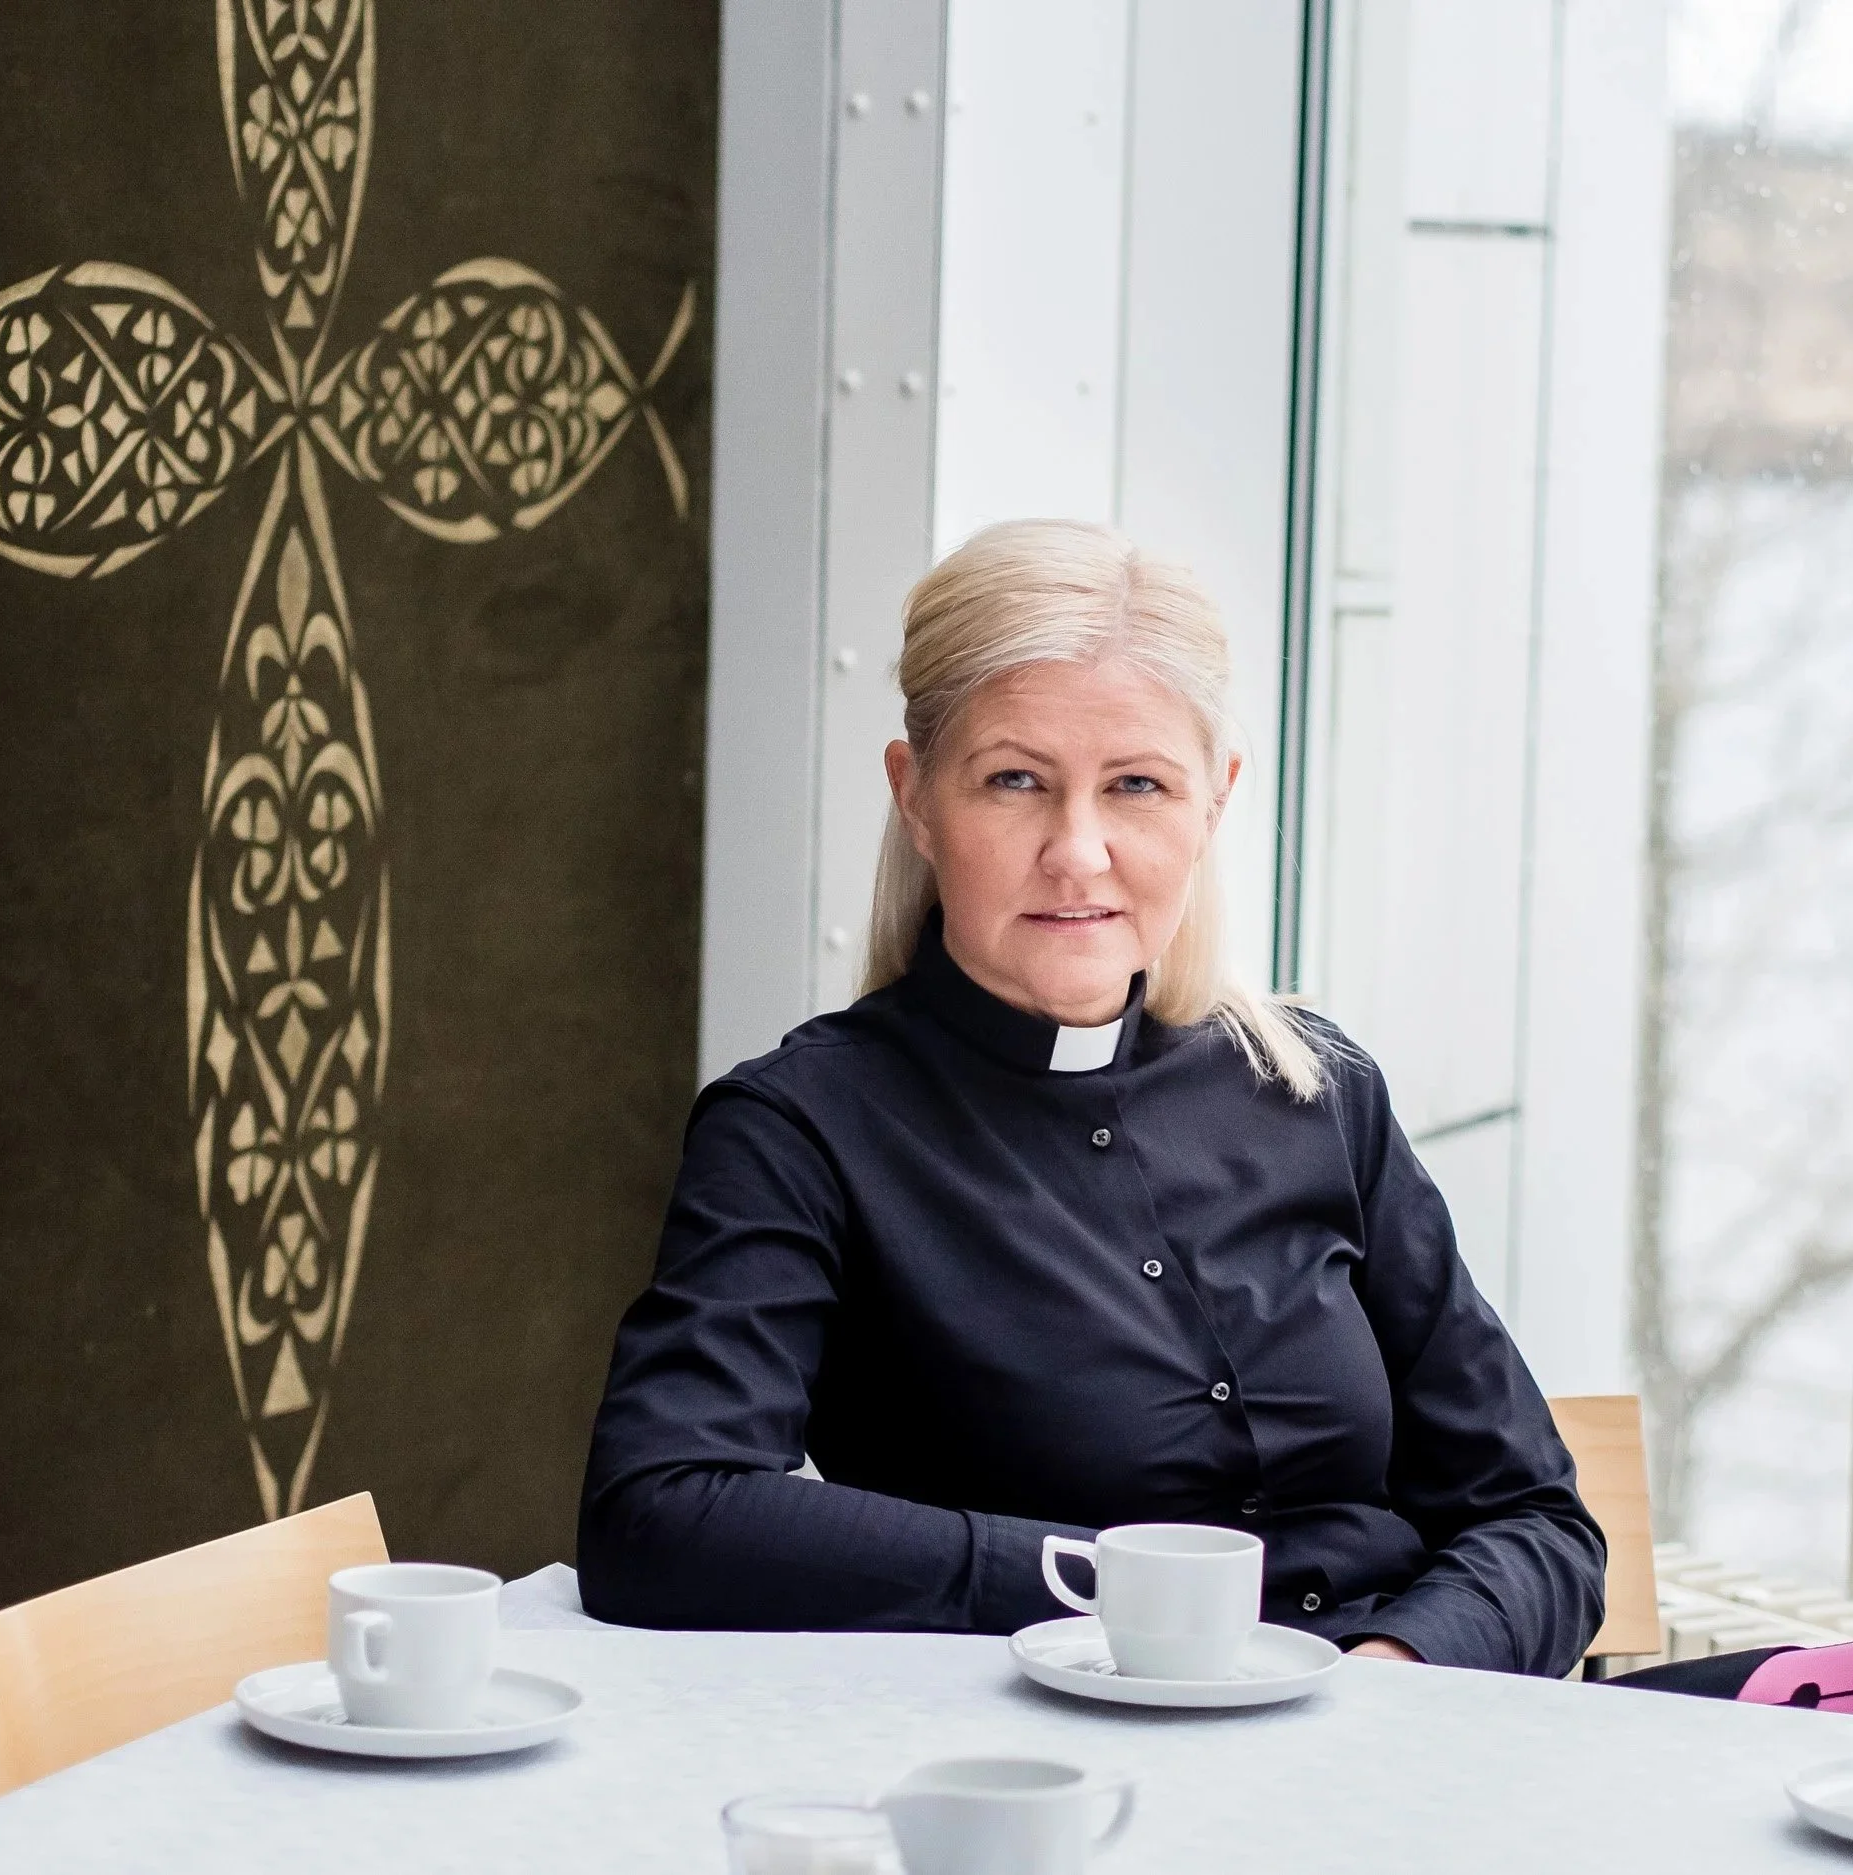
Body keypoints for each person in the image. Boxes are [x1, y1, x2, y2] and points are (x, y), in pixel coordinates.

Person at [579, 518, 1606, 1674]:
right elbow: (659, 1513)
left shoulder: (1319, 1091)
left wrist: (1392, 1674)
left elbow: (1537, 1521)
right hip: (1068, 1745)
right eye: (1014, 781)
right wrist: (1096, 1586)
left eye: (1136, 786)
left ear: (1213, 801)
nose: (1078, 851)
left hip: (1388, 1729)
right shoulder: (801, 1131)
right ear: (915, 797)